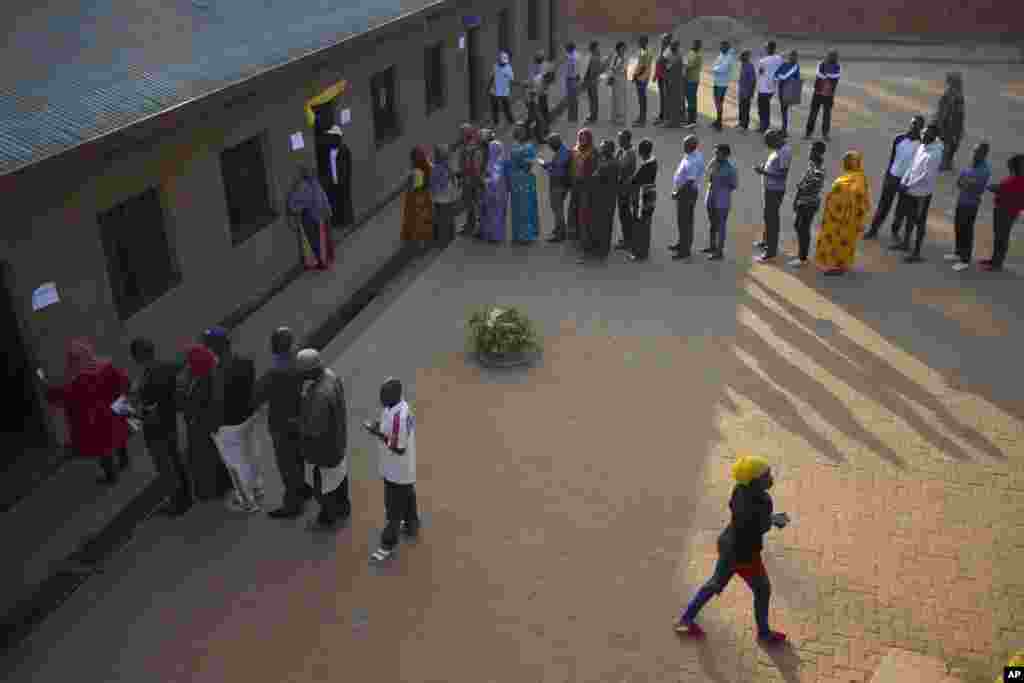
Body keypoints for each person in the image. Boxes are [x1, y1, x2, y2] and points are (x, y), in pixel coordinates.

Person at [675, 454, 790, 645]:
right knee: (762, 590)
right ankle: (764, 633)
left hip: (728, 544)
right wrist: (772, 520)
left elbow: (744, 516)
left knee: (714, 583)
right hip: (746, 555)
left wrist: (766, 518)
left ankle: (686, 619)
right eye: (766, 475)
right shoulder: (763, 500)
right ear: (755, 480)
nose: (771, 478)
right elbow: (759, 526)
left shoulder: (739, 489)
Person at [43, 339, 131, 485]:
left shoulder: (78, 381)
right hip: (116, 408)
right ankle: (124, 461)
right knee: (120, 435)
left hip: (96, 418)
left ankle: (111, 475)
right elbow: (123, 381)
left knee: (103, 447)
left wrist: (48, 391)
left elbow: (65, 396)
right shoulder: (105, 367)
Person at [252, 327, 312, 519]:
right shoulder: (298, 364)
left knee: (287, 464)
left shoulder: (274, 373)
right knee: (298, 457)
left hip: (281, 424)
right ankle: (302, 489)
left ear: (273, 348)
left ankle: (292, 504)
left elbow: (257, 397)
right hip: (298, 419)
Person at [129, 338, 191, 515]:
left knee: (166, 467)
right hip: (169, 423)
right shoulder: (167, 367)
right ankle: (186, 498)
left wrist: (129, 415)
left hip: (155, 429)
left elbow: (143, 410)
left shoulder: (145, 378)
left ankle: (177, 504)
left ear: (136, 356)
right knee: (176, 461)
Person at [203, 327, 261, 512]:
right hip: (248, 416)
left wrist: (214, 424)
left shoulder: (219, 370)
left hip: (230, 423)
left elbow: (219, 400)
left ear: (214, 347)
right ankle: (257, 489)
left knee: (235, 463)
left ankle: (247, 502)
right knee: (250, 455)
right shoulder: (245, 361)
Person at [294, 349, 350, 532]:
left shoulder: (319, 394)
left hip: (324, 448)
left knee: (322, 484)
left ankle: (328, 515)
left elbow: (314, 430)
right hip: (338, 438)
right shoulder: (331, 376)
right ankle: (343, 507)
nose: (300, 375)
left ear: (310, 371)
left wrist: (297, 425)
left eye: (302, 371)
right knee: (340, 476)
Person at [366, 378, 419, 562]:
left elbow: (398, 447)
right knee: (407, 495)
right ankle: (412, 525)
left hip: (397, 471)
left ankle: (387, 544)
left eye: (384, 396)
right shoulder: (395, 406)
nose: (380, 399)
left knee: (393, 509)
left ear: (394, 396)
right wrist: (380, 429)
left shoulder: (400, 416)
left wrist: (376, 432)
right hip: (402, 469)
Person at [181, 343, 231, 501]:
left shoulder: (205, 381)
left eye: (189, 362)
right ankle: (223, 485)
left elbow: (200, 404)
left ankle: (208, 491)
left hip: (202, 426)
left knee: (203, 459)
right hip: (205, 425)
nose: (187, 365)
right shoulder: (203, 377)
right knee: (213, 457)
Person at [865, 115, 925, 240]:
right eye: (913, 123)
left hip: (906, 181)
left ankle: (895, 232)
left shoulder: (921, 145)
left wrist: (911, 182)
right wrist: (888, 174)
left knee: (901, 210)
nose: (914, 127)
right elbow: (893, 158)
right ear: (910, 124)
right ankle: (873, 229)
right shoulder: (899, 139)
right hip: (892, 177)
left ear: (920, 128)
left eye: (917, 125)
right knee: (883, 206)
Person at [891, 122, 943, 262]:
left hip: (922, 194)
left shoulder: (934, 154)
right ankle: (906, 243)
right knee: (909, 217)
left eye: (927, 135)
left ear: (934, 137)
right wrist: (905, 180)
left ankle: (917, 252)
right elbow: (913, 164)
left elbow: (925, 175)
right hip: (911, 189)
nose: (923, 136)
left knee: (919, 222)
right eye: (923, 133)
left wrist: (909, 185)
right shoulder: (923, 145)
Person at [815, 151, 872, 276]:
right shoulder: (858, 177)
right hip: (845, 217)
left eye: (847, 161)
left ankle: (838, 266)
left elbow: (854, 197)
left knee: (838, 241)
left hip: (842, 218)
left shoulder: (853, 180)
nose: (845, 163)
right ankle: (841, 264)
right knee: (843, 241)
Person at [946, 142, 991, 271]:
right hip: (961, 201)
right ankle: (958, 252)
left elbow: (976, 188)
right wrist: (966, 182)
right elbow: (960, 182)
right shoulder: (971, 164)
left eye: (977, 152)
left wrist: (966, 182)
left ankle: (965, 259)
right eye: (974, 150)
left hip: (971, 204)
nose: (974, 153)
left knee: (966, 230)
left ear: (984, 154)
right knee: (958, 226)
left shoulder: (984, 170)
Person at [980, 153, 1024, 272]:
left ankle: (997, 263)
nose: (1009, 167)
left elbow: (1002, 188)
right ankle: (995, 260)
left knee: (1001, 237)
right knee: (1000, 236)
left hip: (1006, 212)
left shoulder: (1017, 179)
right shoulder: (1015, 177)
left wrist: (991, 187)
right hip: (1005, 210)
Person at [754, 129, 792, 261]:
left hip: (775, 191)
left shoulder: (785, 152)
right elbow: (774, 166)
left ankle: (771, 251)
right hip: (769, 189)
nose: (768, 146)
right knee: (767, 216)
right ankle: (766, 241)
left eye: (769, 143)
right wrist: (765, 166)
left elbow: (782, 175)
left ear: (776, 139)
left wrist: (763, 172)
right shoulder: (778, 149)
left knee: (772, 220)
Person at [287, 166, 335, 270]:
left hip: (318, 216)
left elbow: (323, 198)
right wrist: (300, 209)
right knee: (314, 241)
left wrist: (327, 211)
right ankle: (320, 261)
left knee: (319, 240)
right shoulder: (303, 186)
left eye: (312, 172)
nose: (312, 173)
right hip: (311, 217)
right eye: (310, 172)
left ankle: (323, 261)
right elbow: (292, 204)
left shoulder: (314, 184)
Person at [789, 141, 828, 267]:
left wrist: (801, 187)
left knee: (803, 229)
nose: (809, 152)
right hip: (804, 202)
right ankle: (802, 254)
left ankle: (802, 257)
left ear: (817, 152)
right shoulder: (813, 166)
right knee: (799, 226)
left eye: (812, 150)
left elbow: (807, 187)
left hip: (808, 204)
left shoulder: (818, 171)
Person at [580, 139, 618, 264]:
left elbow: (594, 178)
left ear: (608, 150)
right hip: (601, 199)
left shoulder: (609, 164)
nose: (600, 150)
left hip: (604, 200)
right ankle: (598, 249)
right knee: (599, 225)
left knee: (603, 226)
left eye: (603, 148)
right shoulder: (606, 161)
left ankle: (600, 252)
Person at [670, 135, 704, 260]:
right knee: (682, 221)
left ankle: (685, 250)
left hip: (687, 194)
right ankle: (681, 244)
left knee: (685, 222)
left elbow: (690, 181)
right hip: (686, 192)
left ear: (692, 146)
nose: (683, 147)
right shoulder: (691, 154)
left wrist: (678, 193)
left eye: (685, 145)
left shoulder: (694, 160)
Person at [704, 143, 738, 260]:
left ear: (725, 154)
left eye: (718, 152)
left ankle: (719, 251)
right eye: (715, 152)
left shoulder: (731, 169)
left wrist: (722, 185)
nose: (715, 154)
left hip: (722, 200)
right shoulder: (713, 162)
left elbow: (734, 185)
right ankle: (712, 246)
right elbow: (707, 174)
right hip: (711, 196)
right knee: (712, 223)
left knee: (721, 225)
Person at [507, 125, 540, 244]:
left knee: (526, 206)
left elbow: (531, 162)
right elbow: (511, 162)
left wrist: (524, 163)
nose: (520, 133)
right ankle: (517, 234)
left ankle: (526, 235)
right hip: (516, 179)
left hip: (526, 179)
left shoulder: (529, 146)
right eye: (518, 132)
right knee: (517, 207)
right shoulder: (515, 146)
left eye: (522, 131)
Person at [316, 124, 353, 227]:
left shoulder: (344, 150)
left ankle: (347, 221)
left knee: (344, 201)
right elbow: (327, 166)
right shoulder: (329, 152)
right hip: (333, 181)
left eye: (333, 137)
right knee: (335, 202)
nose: (332, 139)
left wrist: (345, 180)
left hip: (342, 181)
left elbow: (347, 167)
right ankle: (338, 222)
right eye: (330, 137)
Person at [627, 139, 658, 262]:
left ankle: (640, 252)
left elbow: (635, 181)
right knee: (646, 223)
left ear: (642, 151)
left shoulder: (646, 165)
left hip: (643, 196)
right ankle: (643, 249)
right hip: (650, 194)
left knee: (641, 224)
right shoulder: (653, 160)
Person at [540, 133, 573, 242]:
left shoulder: (563, 152)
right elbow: (556, 165)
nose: (549, 147)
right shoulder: (562, 150)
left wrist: (546, 166)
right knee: (556, 208)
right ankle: (559, 229)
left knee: (557, 209)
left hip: (559, 185)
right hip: (560, 184)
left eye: (550, 144)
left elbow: (557, 170)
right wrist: (548, 164)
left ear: (555, 144)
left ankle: (560, 233)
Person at [401, 146, 435, 250]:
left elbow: (416, 186)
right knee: (425, 219)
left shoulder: (417, 171)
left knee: (417, 220)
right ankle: (426, 239)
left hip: (417, 197)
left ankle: (419, 243)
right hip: (426, 196)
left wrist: (409, 183)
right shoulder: (428, 165)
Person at [568, 128, 597, 250]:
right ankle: (574, 231)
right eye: (580, 137)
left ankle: (584, 235)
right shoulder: (574, 150)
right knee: (574, 207)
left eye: (584, 138)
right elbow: (570, 166)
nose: (581, 140)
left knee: (584, 209)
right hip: (575, 183)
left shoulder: (593, 152)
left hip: (586, 185)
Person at [457, 125, 486, 236]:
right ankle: (471, 225)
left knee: (475, 204)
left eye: (461, 133)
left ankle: (479, 227)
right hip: (468, 180)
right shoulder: (467, 147)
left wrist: (476, 179)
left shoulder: (472, 149)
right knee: (470, 204)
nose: (460, 136)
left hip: (472, 181)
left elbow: (475, 167)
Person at [805, 50, 840, 140]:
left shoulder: (824, 64)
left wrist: (826, 75)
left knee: (815, 113)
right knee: (825, 115)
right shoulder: (835, 66)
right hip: (827, 94)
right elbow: (831, 76)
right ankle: (824, 134)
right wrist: (828, 76)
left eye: (831, 56)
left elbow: (821, 75)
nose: (830, 58)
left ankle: (809, 133)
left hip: (820, 93)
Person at [936, 72, 965, 172]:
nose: (961, 83)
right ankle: (945, 163)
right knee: (948, 144)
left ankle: (947, 162)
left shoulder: (957, 94)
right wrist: (940, 124)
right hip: (949, 125)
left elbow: (960, 113)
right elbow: (944, 112)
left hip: (953, 125)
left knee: (952, 144)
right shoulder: (950, 94)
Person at [481, 139, 509, 243]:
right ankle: (497, 235)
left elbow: (489, 178)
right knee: (499, 214)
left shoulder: (489, 162)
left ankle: (490, 234)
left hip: (490, 192)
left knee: (490, 214)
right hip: (501, 192)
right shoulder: (503, 161)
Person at [615, 129, 638, 250]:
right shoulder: (622, 151)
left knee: (625, 215)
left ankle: (628, 240)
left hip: (625, 189)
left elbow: (622, 169)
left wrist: (616, 160)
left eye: (621, 139)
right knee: (623, 214)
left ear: (627, 140)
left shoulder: (630, 153)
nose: (618, 141)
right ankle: (627, 237)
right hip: (621, 188)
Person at [431, 144, 458, 245]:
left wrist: (433, 193)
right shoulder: (447, 166)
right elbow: (452, 180)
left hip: (441, 198)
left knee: (442, 219)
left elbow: (435, 184)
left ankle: (443, 240)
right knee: (448, 218)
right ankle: (450, 237)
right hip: (448, 197)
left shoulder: (437, 168)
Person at [756, 42, 784, 133]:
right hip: (772, 87)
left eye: (765, 48)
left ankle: (763, 126)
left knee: (762, 108)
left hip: (763, 87)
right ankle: (765, 125)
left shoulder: (763, 61)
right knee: (766, 106)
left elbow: (760, 72)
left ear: (767, 49)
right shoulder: (779, 59)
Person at [657, 40, 685, 128]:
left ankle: (676, 121)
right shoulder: (667, 52)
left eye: (676, 46)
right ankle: (668, 121)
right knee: (669, 101)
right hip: (670, 80)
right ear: (670, 46)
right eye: (673, 46)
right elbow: (660, 62)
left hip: (678, 80)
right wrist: (665, 75)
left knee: (677, 101)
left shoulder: (680, 52)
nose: (674, 47)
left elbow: (684, 64)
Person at [710, 41, 736, 131]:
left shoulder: (729, 57)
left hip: (722, 83)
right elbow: (715, 65)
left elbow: (723, 69)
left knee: (719, 102)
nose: (721, 48)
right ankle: (718, 120)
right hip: (717, 82)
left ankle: (719, 122)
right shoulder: (721, 55)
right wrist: (716, 68)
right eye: (720, 47)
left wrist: (715, 68)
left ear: (727, 47)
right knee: (717, 101)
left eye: (723, 47)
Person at [774, 51, 800, 137]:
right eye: (792, 56)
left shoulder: (795, 66)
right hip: (782, 90)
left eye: (795, 57)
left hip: (789, 91)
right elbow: (776, 75)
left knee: (784, 110)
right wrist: (780, 77)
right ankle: (783, 129)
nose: (794, 58)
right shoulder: (785, 64)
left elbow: (786, 76)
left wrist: (781, 77)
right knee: (783, 110)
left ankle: (784, 130)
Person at [488, 51, 516, 127]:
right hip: (494, 91)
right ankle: (496, 122)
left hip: (503, 91)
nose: (502, 63)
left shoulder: (508, 68)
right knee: (495, 108)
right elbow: (492, 77)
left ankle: (511, 121)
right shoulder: (495, 66)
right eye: (500, 61)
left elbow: (511, 80)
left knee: (506, 107)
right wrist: (488, 88)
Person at [606, 41, 629, 126]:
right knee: (614, 98)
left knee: (621, 99)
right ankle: (614, 117)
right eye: (622, 48)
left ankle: (620, 118)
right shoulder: (615, 57)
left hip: (621, 80)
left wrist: (616, 68)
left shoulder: (625, 58)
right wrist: (612, 74)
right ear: (618, 49)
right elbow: (611, 68)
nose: (623, 50)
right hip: (615, 79)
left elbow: (623, 69)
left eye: (624, 48)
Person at [632, 36, 653, 126]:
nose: (639, 43)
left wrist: (636, 76)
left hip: (642, 78)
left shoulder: (645, 52)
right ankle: (642, 117)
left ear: (645, 42)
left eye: (641, 42)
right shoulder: (646, 51)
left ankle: (642, 119)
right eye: (639, 42)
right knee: (642, 98)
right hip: (643, 77)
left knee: (642, 98)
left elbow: (643, 67)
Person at [654, 33, 673, 124]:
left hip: (665, 77)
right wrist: (656, 74)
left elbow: (668, 64)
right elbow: (658, 63)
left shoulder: (669, 51)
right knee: (662, 97)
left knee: (666, 97)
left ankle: (665, 116)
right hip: (661, 76)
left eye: (664, 39)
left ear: (668, 40)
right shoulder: (662, 49)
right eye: (662, 39)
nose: (662, 41)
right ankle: (662, 115)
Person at [684, 40, 703, 128]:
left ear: (699, 46)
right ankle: (690, 119)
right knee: (689, 100)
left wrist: (683, 66)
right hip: (688, 80)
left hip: (693, 80)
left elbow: (689, 66)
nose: (695, 46)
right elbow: (687, 63)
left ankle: (692, 120)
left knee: (692, 100)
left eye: (697, 45)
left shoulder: (698, 56)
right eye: (694, 44)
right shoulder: (691, 52)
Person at [583, 41, 604, 123]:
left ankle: (593, 116)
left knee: (593, 98)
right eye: (597, 47)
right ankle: (592, 115)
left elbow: (596, 70)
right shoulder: (594, 56)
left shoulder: (594, 57)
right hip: (592, 79)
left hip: (592, 80)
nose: (598, 48)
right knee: (592, 98)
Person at [736, 50, 756, 133]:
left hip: (747, 91)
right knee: (741, 107)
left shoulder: (750, 66)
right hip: (741, 91)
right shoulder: (742, 65)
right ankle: (741, 123)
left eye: (742, 56)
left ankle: (744, 125)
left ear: (746, 57)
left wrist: (751, 92)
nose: (740, 58)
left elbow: (753, 80)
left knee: (745, 108)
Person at [564, 42, 580, 123]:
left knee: (571, 98)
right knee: (573, 98)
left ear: (569, 49)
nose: (565, 50)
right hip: (574, 78)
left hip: (571, 78)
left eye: (566, 49)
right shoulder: (576, 55)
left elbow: (572, 69)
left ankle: (572, 117)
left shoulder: (571, 57)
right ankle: (573, 116)